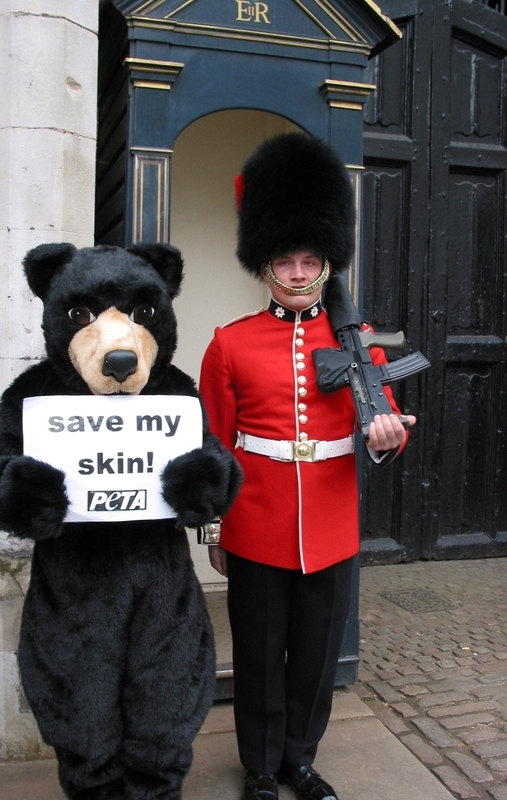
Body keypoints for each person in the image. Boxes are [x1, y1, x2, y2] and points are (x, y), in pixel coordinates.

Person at [198, 133, 416, 800]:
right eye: (285, 262)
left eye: (309, 261)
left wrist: (384, 437)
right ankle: (262, 769)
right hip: (255, 523)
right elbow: (215, 442)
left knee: (317, 657)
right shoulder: (229, 343)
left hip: (329, 522)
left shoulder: (358, 339)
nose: (297, 274)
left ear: (326, 262)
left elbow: (385, 425)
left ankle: (300, 760)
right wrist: (215, 529)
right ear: (265, 265)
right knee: (260, 654)